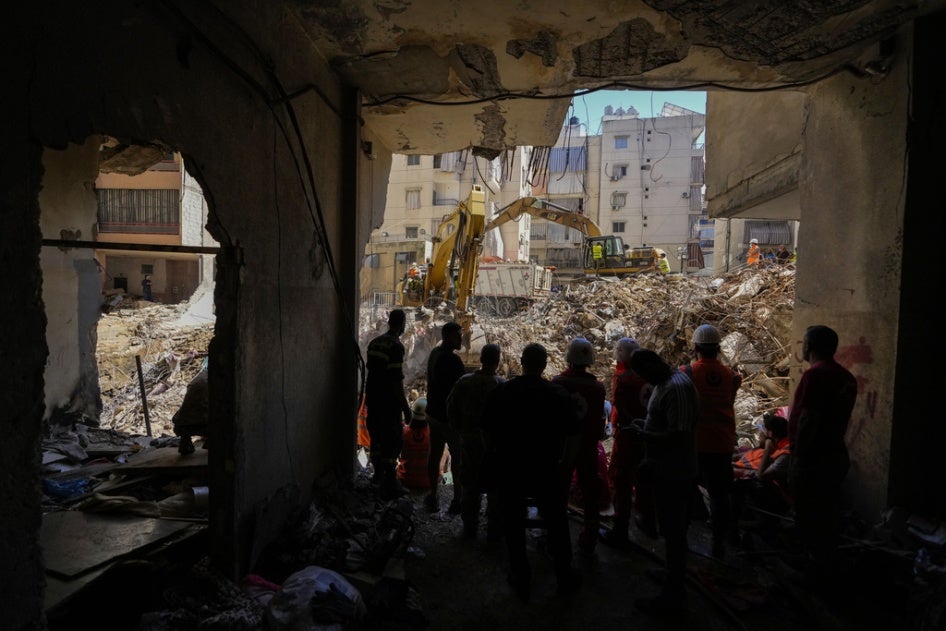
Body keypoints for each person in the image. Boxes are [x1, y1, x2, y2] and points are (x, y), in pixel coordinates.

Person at [482, 343, 581, 601]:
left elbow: (487, 431)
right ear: (545, 365)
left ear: (522, 362)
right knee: (557, 523)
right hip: (546, 471)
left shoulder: (502, 392)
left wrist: (493, 458)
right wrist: (564, 468)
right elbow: (573, 436)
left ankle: (521, 577)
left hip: (511, 470)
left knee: (513, 523)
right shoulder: (557, 395)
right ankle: (563, 574)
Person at [624, 349, 700, 614]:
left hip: (675, 472)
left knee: (675, 530)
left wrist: (643, 434)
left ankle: (673, 596)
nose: (643, 378)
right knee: (670, 527)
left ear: (652, 365)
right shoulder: (664, 384)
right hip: (665, 468)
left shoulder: (675, 388)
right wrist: (644, 424)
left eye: (643, 373)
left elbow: (678, 437)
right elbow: (663, 422)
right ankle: (671, 573)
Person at [788, 325, 857, 589]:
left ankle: (813, 577)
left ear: (810, 346)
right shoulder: (846, 377)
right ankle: (826, 569)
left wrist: (799, 459)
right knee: (827, 516)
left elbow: (809, 420)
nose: (802, 347)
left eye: (804, 342)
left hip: (813, 460)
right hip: (835, 456)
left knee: (809, 518)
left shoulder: (816, 376)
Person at [681, 324, 742, 558]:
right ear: (718, 349)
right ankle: (718, 544)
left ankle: (682, 541)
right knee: (719, 495)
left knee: (685, 491)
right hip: (722, 443)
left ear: (696, 347)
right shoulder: (732, 377)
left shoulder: (686, 372)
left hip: (694, 443)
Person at [552, 337, 607, 553]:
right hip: (587, 446)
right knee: (590, 490)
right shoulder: (598, 387)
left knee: (559, 489)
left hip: (563, 446)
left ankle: (555, 535)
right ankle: (589, 537)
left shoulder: (558, 383)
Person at [446, 343, 506, 540]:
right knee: (495, 488)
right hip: (495, 448)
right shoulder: (502, 386)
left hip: (470, 443)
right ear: (497, 363)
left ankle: (469, 527)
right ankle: (493, 532)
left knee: (470, 487)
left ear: (480, 359)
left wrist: (461, 432)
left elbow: (451, 411)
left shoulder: (463, 382)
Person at [601, 337, 655, 547]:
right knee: (645, 480)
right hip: (648, 436)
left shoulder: (623, 380)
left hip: (628, 436)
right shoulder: (649, 378)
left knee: (621, 482)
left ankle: (620, 530)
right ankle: (648, 520)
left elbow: (619, 409)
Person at [365, 309, 413, 500]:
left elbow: (372, 373)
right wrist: (405, 407)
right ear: (402, 324)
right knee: (393, 441)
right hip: (388, 402)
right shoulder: (396, 347)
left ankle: (377, 477)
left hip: (373, 398)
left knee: (376, 437)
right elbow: (395, 381)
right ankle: (391, 484)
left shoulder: (374, 343)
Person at [424, 321, 467, 513]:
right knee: (457, 459)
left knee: (434, 454)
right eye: (458, 335)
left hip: (433, 415)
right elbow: (460, 392)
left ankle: (433, 495)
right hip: (450, 419)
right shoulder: (454, 361)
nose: (461, 339)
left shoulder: (434, 354)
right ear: (448, 336)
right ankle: (457, 500)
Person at [733, 413, 792, 523]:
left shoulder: (785, 454)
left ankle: (759, 521)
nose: (759, 434)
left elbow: (761, 477)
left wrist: (767, 451)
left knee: (751, 483)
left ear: (770, 434)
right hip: (775, 493)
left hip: (784, 500)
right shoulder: (780, 447)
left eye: (762, 430)